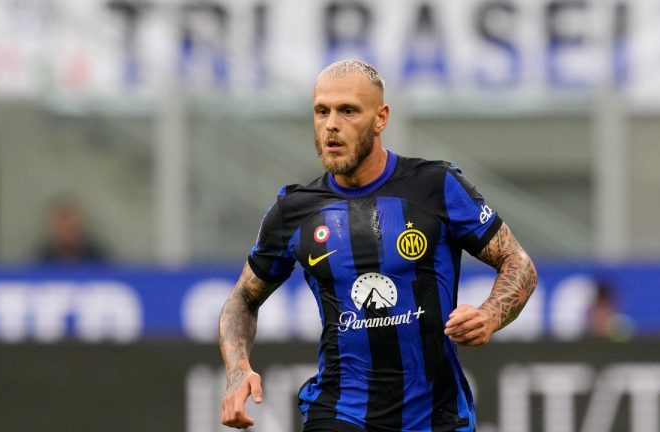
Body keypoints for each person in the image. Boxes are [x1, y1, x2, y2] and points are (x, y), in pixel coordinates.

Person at [218, 59, 538, 432]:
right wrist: (237, 371)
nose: (331, 125)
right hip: (340, 412)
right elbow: (242, 299)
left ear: (381, 118)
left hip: (436, 417)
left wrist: (490, 315)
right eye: (322, 111)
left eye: (348, 111)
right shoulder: (294, 211)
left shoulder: (436, 186)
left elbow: (518, 262)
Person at [35, 199, 108, 264]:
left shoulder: (97, 260)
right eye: (62, 228)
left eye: (70, 228)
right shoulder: (41, 261)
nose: (66, 233)